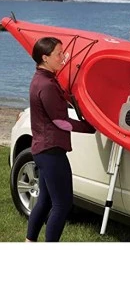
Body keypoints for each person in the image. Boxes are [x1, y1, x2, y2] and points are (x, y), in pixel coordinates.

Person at [26, 37, 96, 242]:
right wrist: (90, 127)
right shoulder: (47, 85)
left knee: (45, 201)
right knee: (62, 204)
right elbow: (60, 122)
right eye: (58, 54)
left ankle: (29, 242)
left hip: (42, 149)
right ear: (45, 58)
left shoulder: (41, 79)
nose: (63, 57)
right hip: (51, 151)